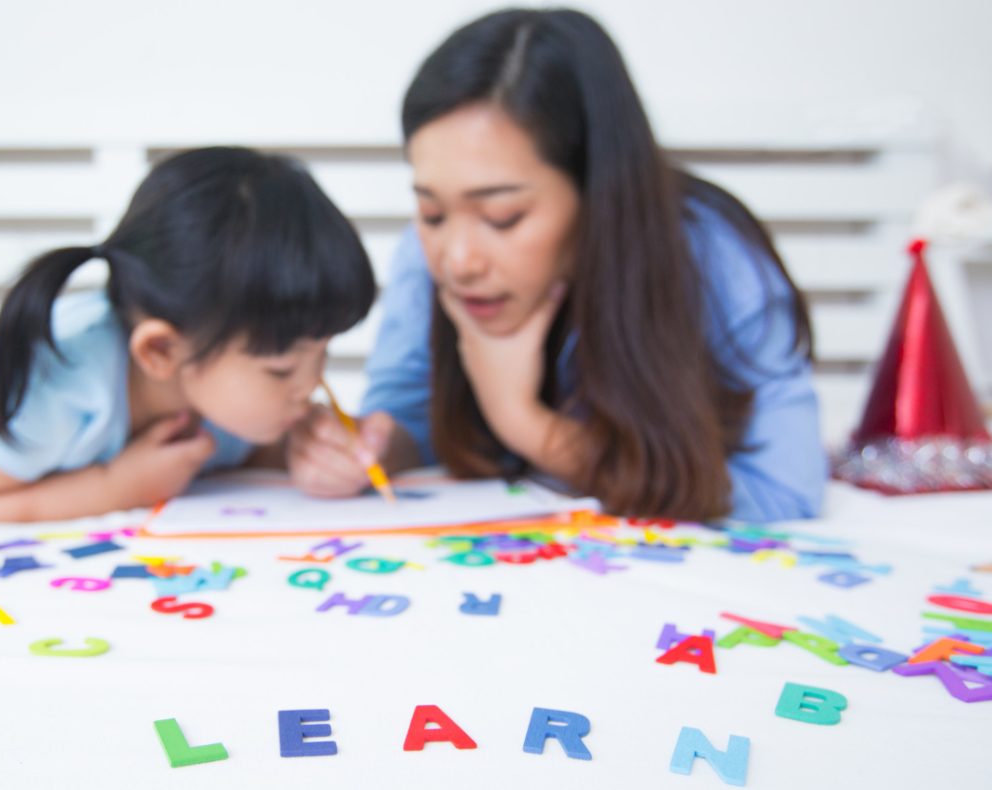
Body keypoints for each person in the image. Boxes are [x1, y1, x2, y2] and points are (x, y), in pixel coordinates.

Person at [287, 8, 825, 522]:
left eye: (503, 216)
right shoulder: (423, 253)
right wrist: (364, 449)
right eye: (431, 211)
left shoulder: (714, 254)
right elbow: (407, 413)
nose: (457, 260)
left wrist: (523, 422)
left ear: (597, 191)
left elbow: (785, 487)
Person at [0, 147, 376, 522]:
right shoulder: (50, 388)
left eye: (322, 355)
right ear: (159, 350)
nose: (311, 387)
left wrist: (299, 450)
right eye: (281, 370)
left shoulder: (214, 376)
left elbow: (246, 441)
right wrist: (118, 487)